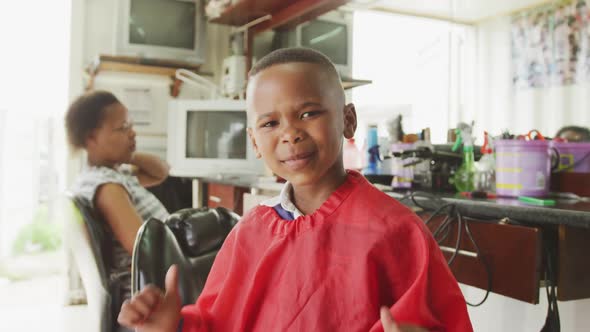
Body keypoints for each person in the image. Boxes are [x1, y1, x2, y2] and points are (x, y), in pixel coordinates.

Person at [117, 48, 473, 332]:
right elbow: (214, 322)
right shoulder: (249, 233)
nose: (290, 133)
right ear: (254, 141)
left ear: (347, 120)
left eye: (308, 114)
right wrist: (173, 326)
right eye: (270, 123)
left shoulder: (395, 229)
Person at [65, 90, 170, 323]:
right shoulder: (107, 186)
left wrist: (127, 154)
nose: (132, 133)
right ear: (92, 138)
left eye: (130, 126)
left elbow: (161, 170)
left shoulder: (112, 173)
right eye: (122, 128)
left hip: (162, 270)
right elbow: (145, 251)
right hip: (156, 285)